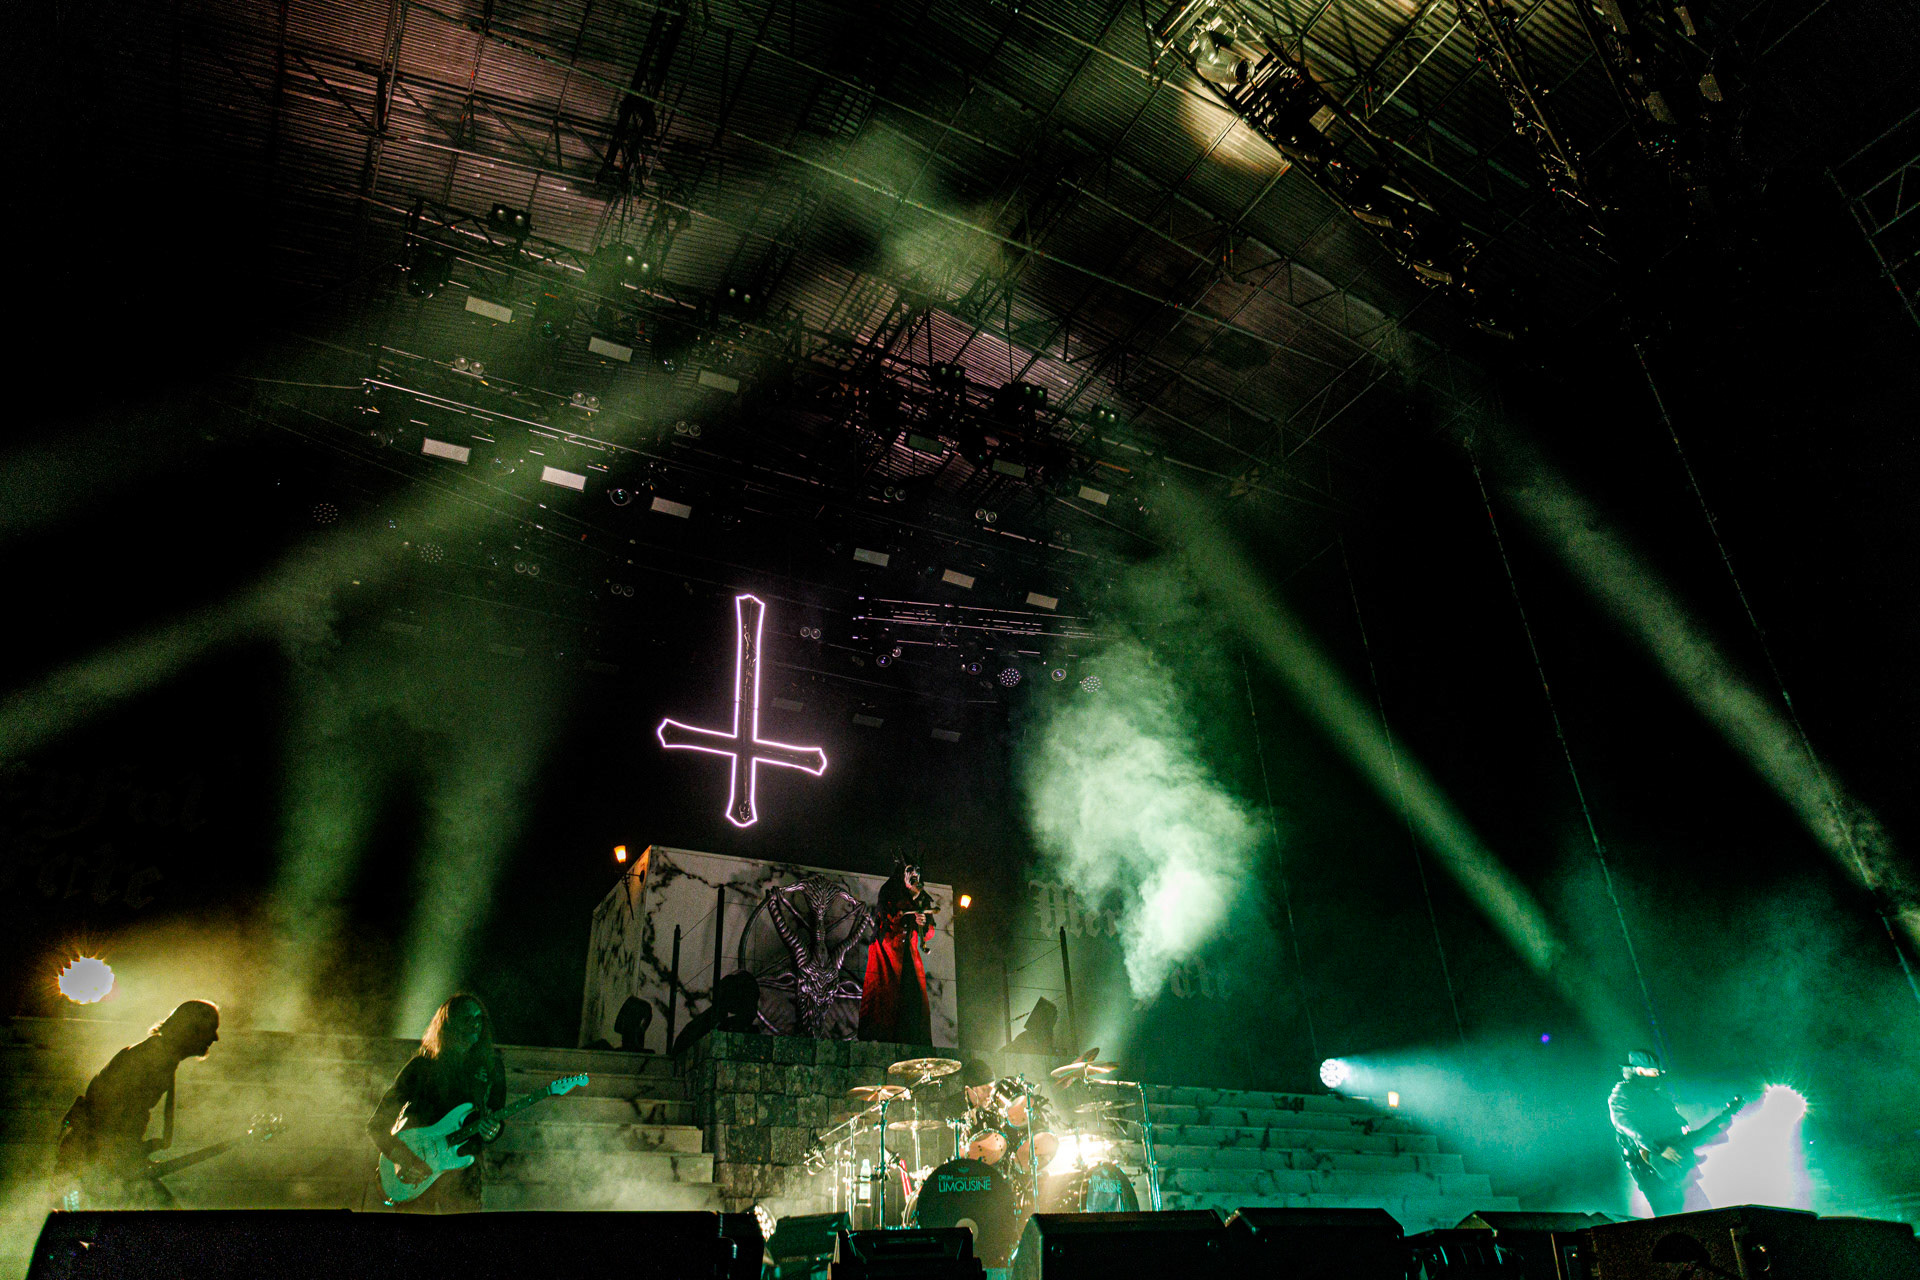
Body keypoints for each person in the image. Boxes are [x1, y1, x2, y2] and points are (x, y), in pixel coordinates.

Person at [52, 999, 221, 1209]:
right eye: (210, 1029)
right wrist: (123, 1157)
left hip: (93, 1160)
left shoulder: (156, 1055)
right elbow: (108, 1112)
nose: (215, 1038)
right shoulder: (153, 1059)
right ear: (191, 1029)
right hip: (92, 1163)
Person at [367, 993, 507, 1212]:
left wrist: (493, 1131)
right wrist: (402, 1156)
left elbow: (497, 1114)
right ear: (449, 1023)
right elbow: (377, 1123)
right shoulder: (421, 1066)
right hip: (417, 1166)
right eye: (467, 1018)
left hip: (462, 1171)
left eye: (479, 1018)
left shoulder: (492, 1066)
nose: (475, 1024)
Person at [1609, 1049, 1706, 1217]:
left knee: (1699, 1207)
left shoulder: (1653, 1096)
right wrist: (1657, 1149)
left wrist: (1682, 1127)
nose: (1658, 1076)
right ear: (1640, 1071)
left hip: (1673, 1164)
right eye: (1654, 1072)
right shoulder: (1621, 1094)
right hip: (1648, 1167)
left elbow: (1672, 1118)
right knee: (1670, 1214)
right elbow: (1625, 1124)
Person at [858, 859, 935, 1044]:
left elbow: (929, 931)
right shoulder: (890, 891)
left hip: (908, 955)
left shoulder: (922, 896)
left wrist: (923, 923)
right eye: (910, 870)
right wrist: (912, 900)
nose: (915, 874)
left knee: (913, 999)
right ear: (902, 873)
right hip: (887, 954)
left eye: (918, 870)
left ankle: (913, 1042)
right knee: (886, 1000)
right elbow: (889, 918)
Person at [957, 1057, 1057, 1178]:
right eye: (984, 1089)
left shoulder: (998, 1110)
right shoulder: (956, 1111)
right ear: (969, 1090)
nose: (989, 1095)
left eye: (991, 1089)